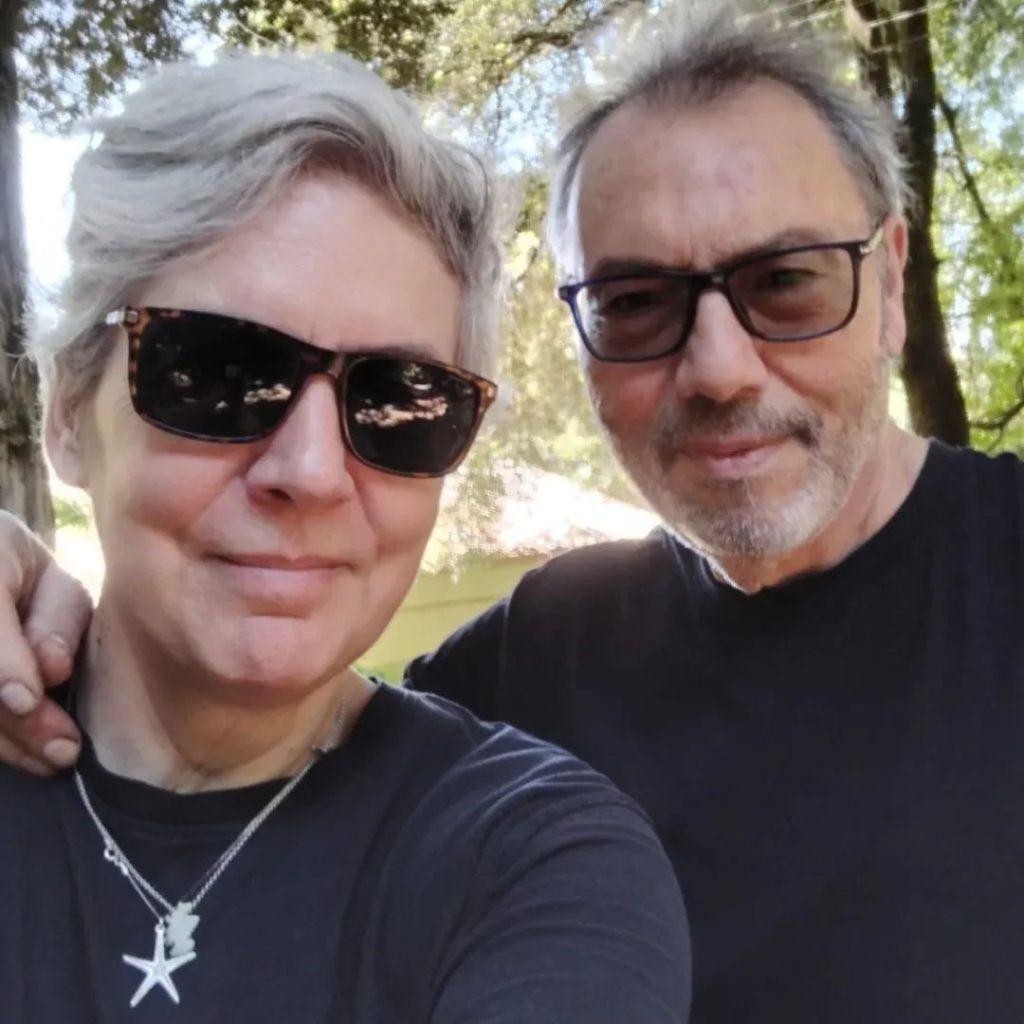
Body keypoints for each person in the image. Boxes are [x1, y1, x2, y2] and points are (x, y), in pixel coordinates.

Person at [2, 1, 1023, 1020]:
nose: (719, 368)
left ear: (892, 281)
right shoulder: (538, 654)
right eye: (636, 302)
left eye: (787, 282)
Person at [0, 49, 691, 1024]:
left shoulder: (535, 864)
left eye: (401, 400)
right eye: (224, 374)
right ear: (69, 413)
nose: (314, 472)